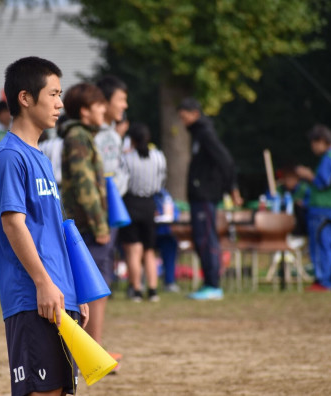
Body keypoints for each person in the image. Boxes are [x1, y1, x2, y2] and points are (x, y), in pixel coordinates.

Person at [0, 56, 88, 396]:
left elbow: (52, 229)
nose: (60, 104)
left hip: (58, 296)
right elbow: (14, 224)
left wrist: (74, 286)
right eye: (54, 94)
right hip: (32, 298)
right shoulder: (9, 157)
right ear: (25, 98)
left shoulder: (40, 157)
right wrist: (44, 282)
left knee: (58, 390)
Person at [59, 83, 115, 353]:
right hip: (88, 228)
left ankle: (93, 349)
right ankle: (92, 351)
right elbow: (85, 185)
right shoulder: (78, 136)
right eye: (98, 105)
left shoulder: (81, 135)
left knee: (95, 288)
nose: (104, 109)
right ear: (84, 111)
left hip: (87, 226)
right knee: (94, 289)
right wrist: (100, 224)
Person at [178, 97, 242, 301]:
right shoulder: (197, 134)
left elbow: (226, 160)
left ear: (195, 113)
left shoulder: (205, 133)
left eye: (184, 116)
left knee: (206, 239)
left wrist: (232, 187)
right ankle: (209, 283)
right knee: (200, 239)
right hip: (199, 196)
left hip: (206, 196)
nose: (183, 120)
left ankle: (213, 285)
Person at [296, 124, 331, 291]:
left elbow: (322, 183)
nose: (313, 148)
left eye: (313, 144)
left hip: (322, 211)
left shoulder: (328, 158)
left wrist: (307, 175)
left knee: (321, 247)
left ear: (322, 141)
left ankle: (323, 281)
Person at [120, 122, 167, 302]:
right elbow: (162, 181)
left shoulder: (126, 158)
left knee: (133, 250)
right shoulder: (159, 156)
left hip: (130, 203)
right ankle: (153, 290)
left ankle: (137, 290)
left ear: (131, 139)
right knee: (149, 250)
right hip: (149, 204)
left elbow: (122, 184)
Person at [95, 75, 129, 196]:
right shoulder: (90, 135)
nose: (125, 105)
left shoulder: (115, 136)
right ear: (104, 101)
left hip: (115, 204)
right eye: (121, 99)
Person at [277, 164, 310, 235]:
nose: (288, 182)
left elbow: (313, 201)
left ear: (297, 180)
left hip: (301, 218)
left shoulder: (304, 188)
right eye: (286, 179)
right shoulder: (280, 188)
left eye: (291, 179)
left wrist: (304, 203)